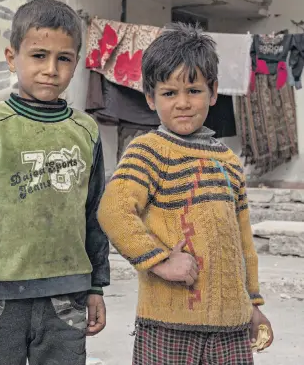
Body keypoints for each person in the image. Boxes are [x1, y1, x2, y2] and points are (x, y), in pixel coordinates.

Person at [97, 23, 274, 365]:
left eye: (193, 90)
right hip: (168, 323)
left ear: (213, 92)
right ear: (150, 98)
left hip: (231, 327)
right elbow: (113, 210)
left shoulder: (228, 160)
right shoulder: (148, 150)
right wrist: (160, 261)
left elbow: (243, 242)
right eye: (169, 93)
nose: (182, 103)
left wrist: (253, 304)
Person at [0, 0, 110, 365]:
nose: (50, 69)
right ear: (13, 58)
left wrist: (96, 287)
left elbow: (96, 213)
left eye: (64, 58)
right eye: (38, 55)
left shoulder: (86, 130)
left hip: (68, 293)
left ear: (76, 63)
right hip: (0, 293)